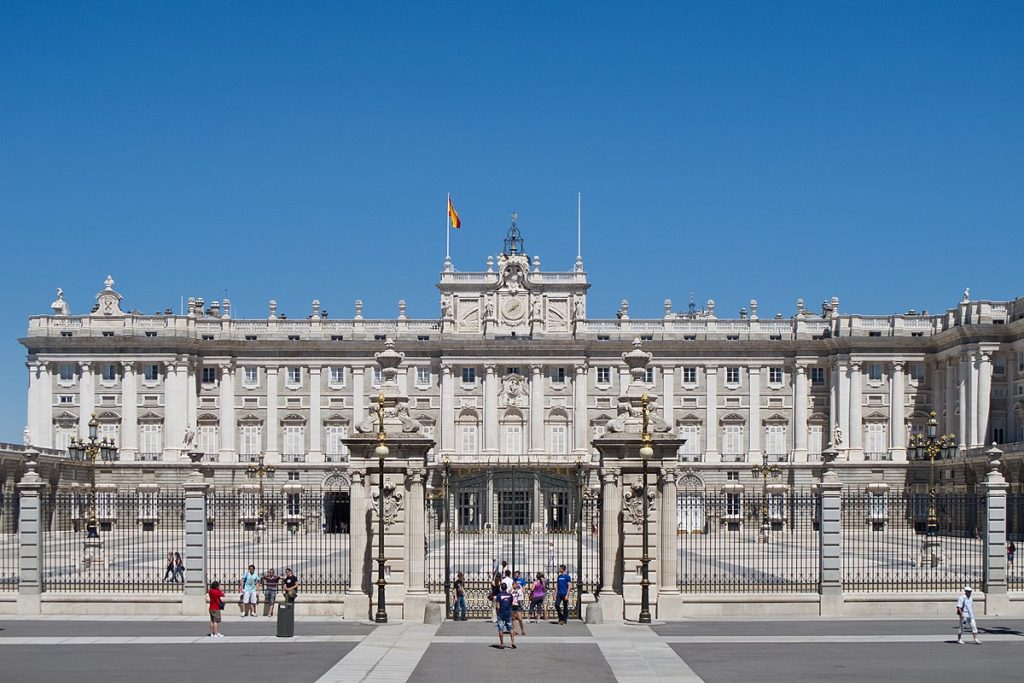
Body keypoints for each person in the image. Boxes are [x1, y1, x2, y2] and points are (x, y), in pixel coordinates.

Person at [494, 581, 516, 650]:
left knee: (501, 629)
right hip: (508, 613)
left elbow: (497, 606)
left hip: (501, 613)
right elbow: (511, 604)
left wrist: (497, 613)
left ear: (501, 588)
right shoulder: (510, 595)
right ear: (506, 588)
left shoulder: (499, 596)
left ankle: (502, 644)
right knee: (510, 628)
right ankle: (512, 643)